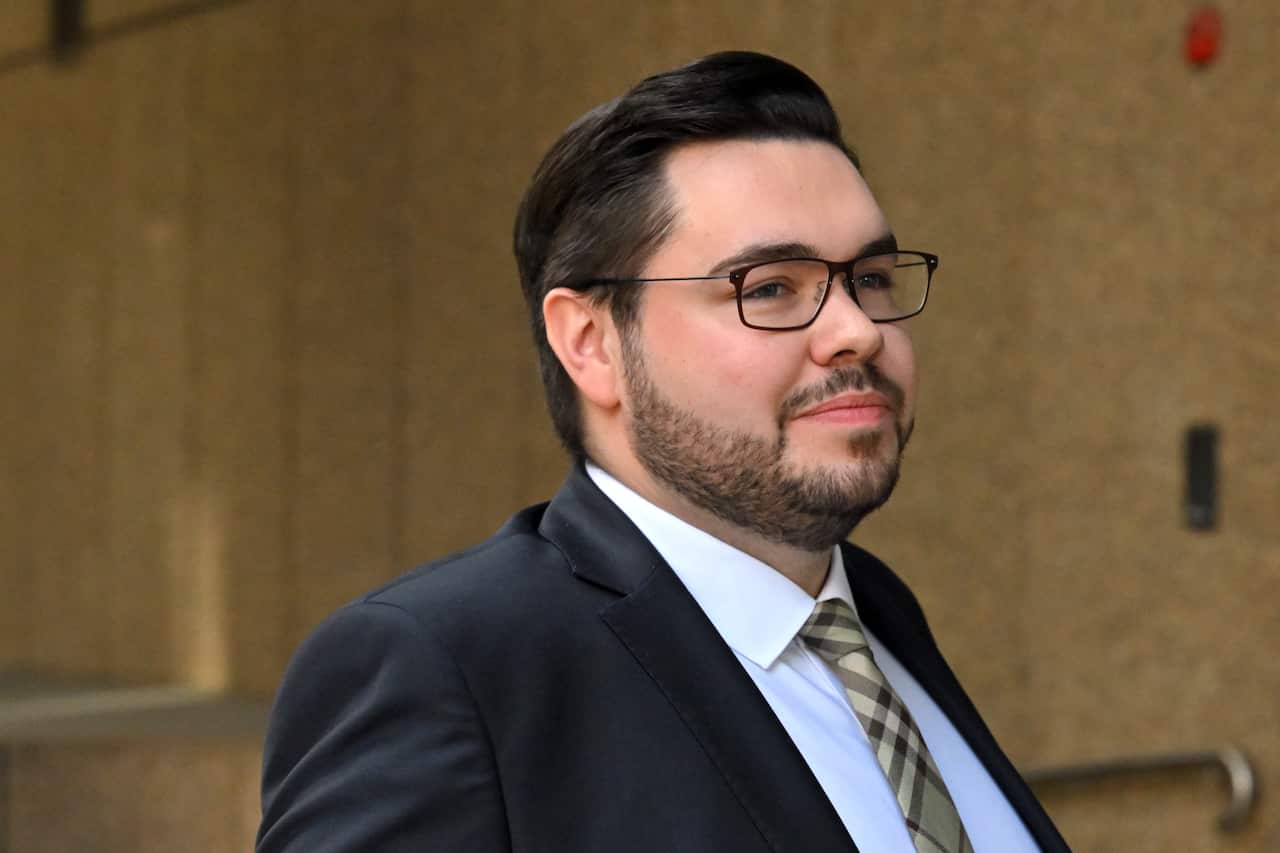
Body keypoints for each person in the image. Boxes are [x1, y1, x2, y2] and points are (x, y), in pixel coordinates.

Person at [256, 51, 1069, 853]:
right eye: (770, 288)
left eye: (872, 277)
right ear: (592, 343)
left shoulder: (876, 616)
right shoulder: (451, 668)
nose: (857, 328)